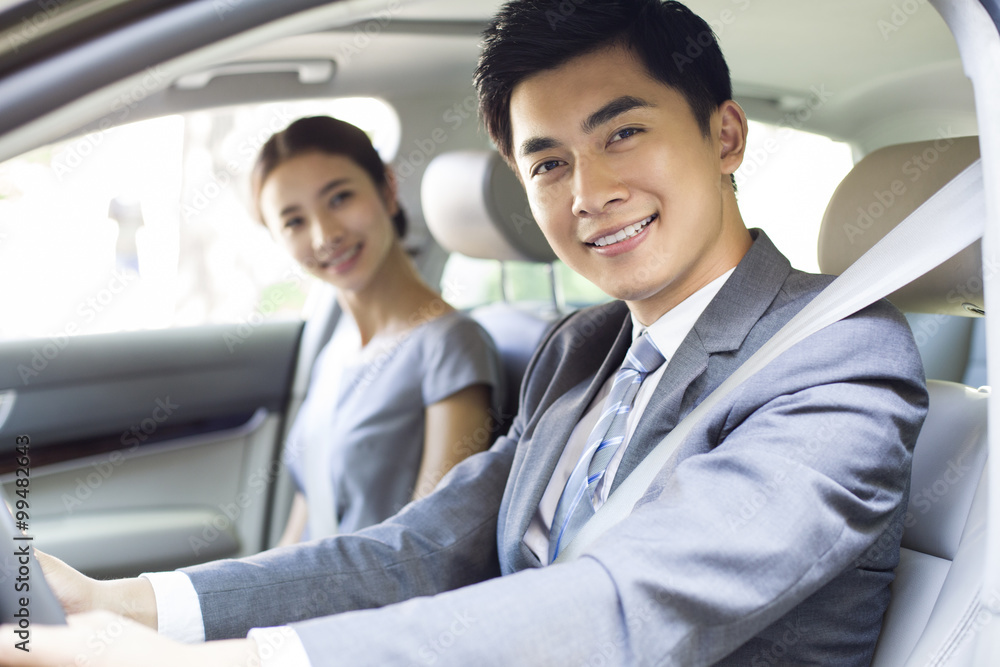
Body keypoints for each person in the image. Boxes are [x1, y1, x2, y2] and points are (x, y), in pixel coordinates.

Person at [0, 1, 927, 665]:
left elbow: (622, 607)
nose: (587, 193)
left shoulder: (839, 354)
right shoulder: (584, 349)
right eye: (548, 162)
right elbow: (415, 550)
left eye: (623, 133)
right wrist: (121, 601)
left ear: (725, 136)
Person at [245, 116, 503, 542]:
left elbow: (429, 545)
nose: (325, 234)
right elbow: (303, 528)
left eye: (340, 197)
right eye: (294, 222)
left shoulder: (450, 345)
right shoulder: (336, 353)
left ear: (387, 190)